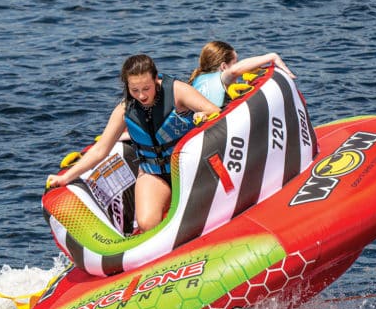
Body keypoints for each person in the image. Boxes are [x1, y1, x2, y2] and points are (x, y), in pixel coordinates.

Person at [46, 54, 220, 233]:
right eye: (135, 90)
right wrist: (65, 178)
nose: (142, 95)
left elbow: (214, 111)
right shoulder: (124, 110)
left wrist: (203, 115)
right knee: (147, 223)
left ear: (156, 78)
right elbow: (101, 150)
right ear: (127, 86)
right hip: (153, 173)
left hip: (188, 166)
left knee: (201, 211)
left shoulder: (177, 91)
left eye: (146, 88)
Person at [188, 41, 296, 107]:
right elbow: (233, 71)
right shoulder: (220, 79)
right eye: (235, 62)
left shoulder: (198, 80)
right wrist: (272, 57)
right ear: (224, 67)